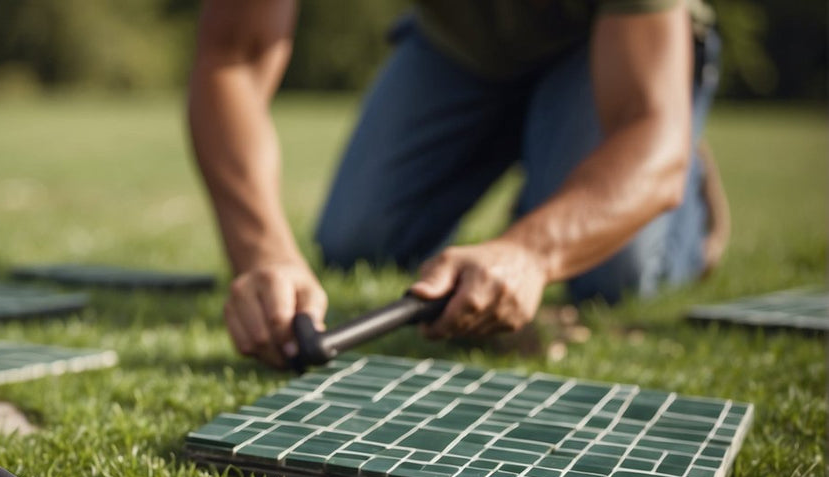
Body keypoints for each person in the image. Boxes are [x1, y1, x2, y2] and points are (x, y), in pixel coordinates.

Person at [188, 0, 728, 369]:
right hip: (459, 48)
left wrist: (530, 252)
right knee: (357, 241)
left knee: (611, 276)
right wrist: (263, 253)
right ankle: (556, 162)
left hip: (612, 50)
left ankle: (686, 183)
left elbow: (646, 125)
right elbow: (233, 58)